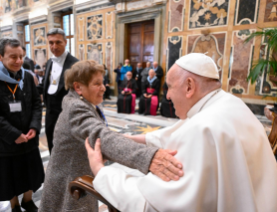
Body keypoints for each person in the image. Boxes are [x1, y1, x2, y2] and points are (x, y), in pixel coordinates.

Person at [86, 53, 277, 212]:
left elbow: (152, 204)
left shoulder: (204, 128)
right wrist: (133, 138)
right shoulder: (229, 103)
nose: (167, 95)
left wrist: (100, 171)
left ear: (189, 86)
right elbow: (178, 131)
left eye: (169, 86)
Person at [39, 60, 184, 212]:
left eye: (103, 82)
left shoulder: (82, 102)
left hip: (77, 176)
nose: (103, 88)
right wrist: (148, 157)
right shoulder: (76, 107)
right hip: (69, 181)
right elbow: (101, 136)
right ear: (78, 87)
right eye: (97, 84)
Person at [0, 38, 44, 212]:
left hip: (28, 138)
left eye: (21, 56)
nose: (18, 61)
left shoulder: (27, 76)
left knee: (31, 174)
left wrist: (34, 127)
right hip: (5, 142)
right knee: (9, 179)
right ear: (0, 57)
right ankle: (15, 204)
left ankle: (28, 201)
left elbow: (36, 105)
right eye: (13, 57)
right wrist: (13, 134)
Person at [37, 28, 79, 154]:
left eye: (58, 42)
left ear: (65, 42)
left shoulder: (75, 64)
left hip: (66, 113)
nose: (54, 46)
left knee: (66, 147)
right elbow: (46, 84)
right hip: (50, 112)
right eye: (51, 43)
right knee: (52, 143)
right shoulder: (49, 62)